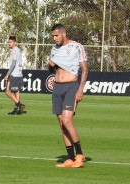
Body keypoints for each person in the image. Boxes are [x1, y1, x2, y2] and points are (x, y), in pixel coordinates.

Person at [48, 24, 88, 168]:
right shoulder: (54, 49)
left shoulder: (77, 47)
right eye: (52, 36)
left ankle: (80, 155)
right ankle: (70, 159)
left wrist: (80, 89)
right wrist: (50, 65)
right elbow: (52, 69)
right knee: (61, 124)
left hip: (71, 86)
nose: (54, 38)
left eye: (56, 35)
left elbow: (84, 69)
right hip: (57, 87)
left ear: (64, 34)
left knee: (67, 120)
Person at [4, 36, 25, 115]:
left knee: (7, 91)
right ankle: (16, 110)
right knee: (16, 91)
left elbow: (13, 63)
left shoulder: (14, 51)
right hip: (19, 74)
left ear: (14, 42)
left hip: (14, 74)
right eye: (8, 42)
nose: (9, 44)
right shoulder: (19, 50)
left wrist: (8, 74)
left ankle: (20, 104)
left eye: (10, 42)